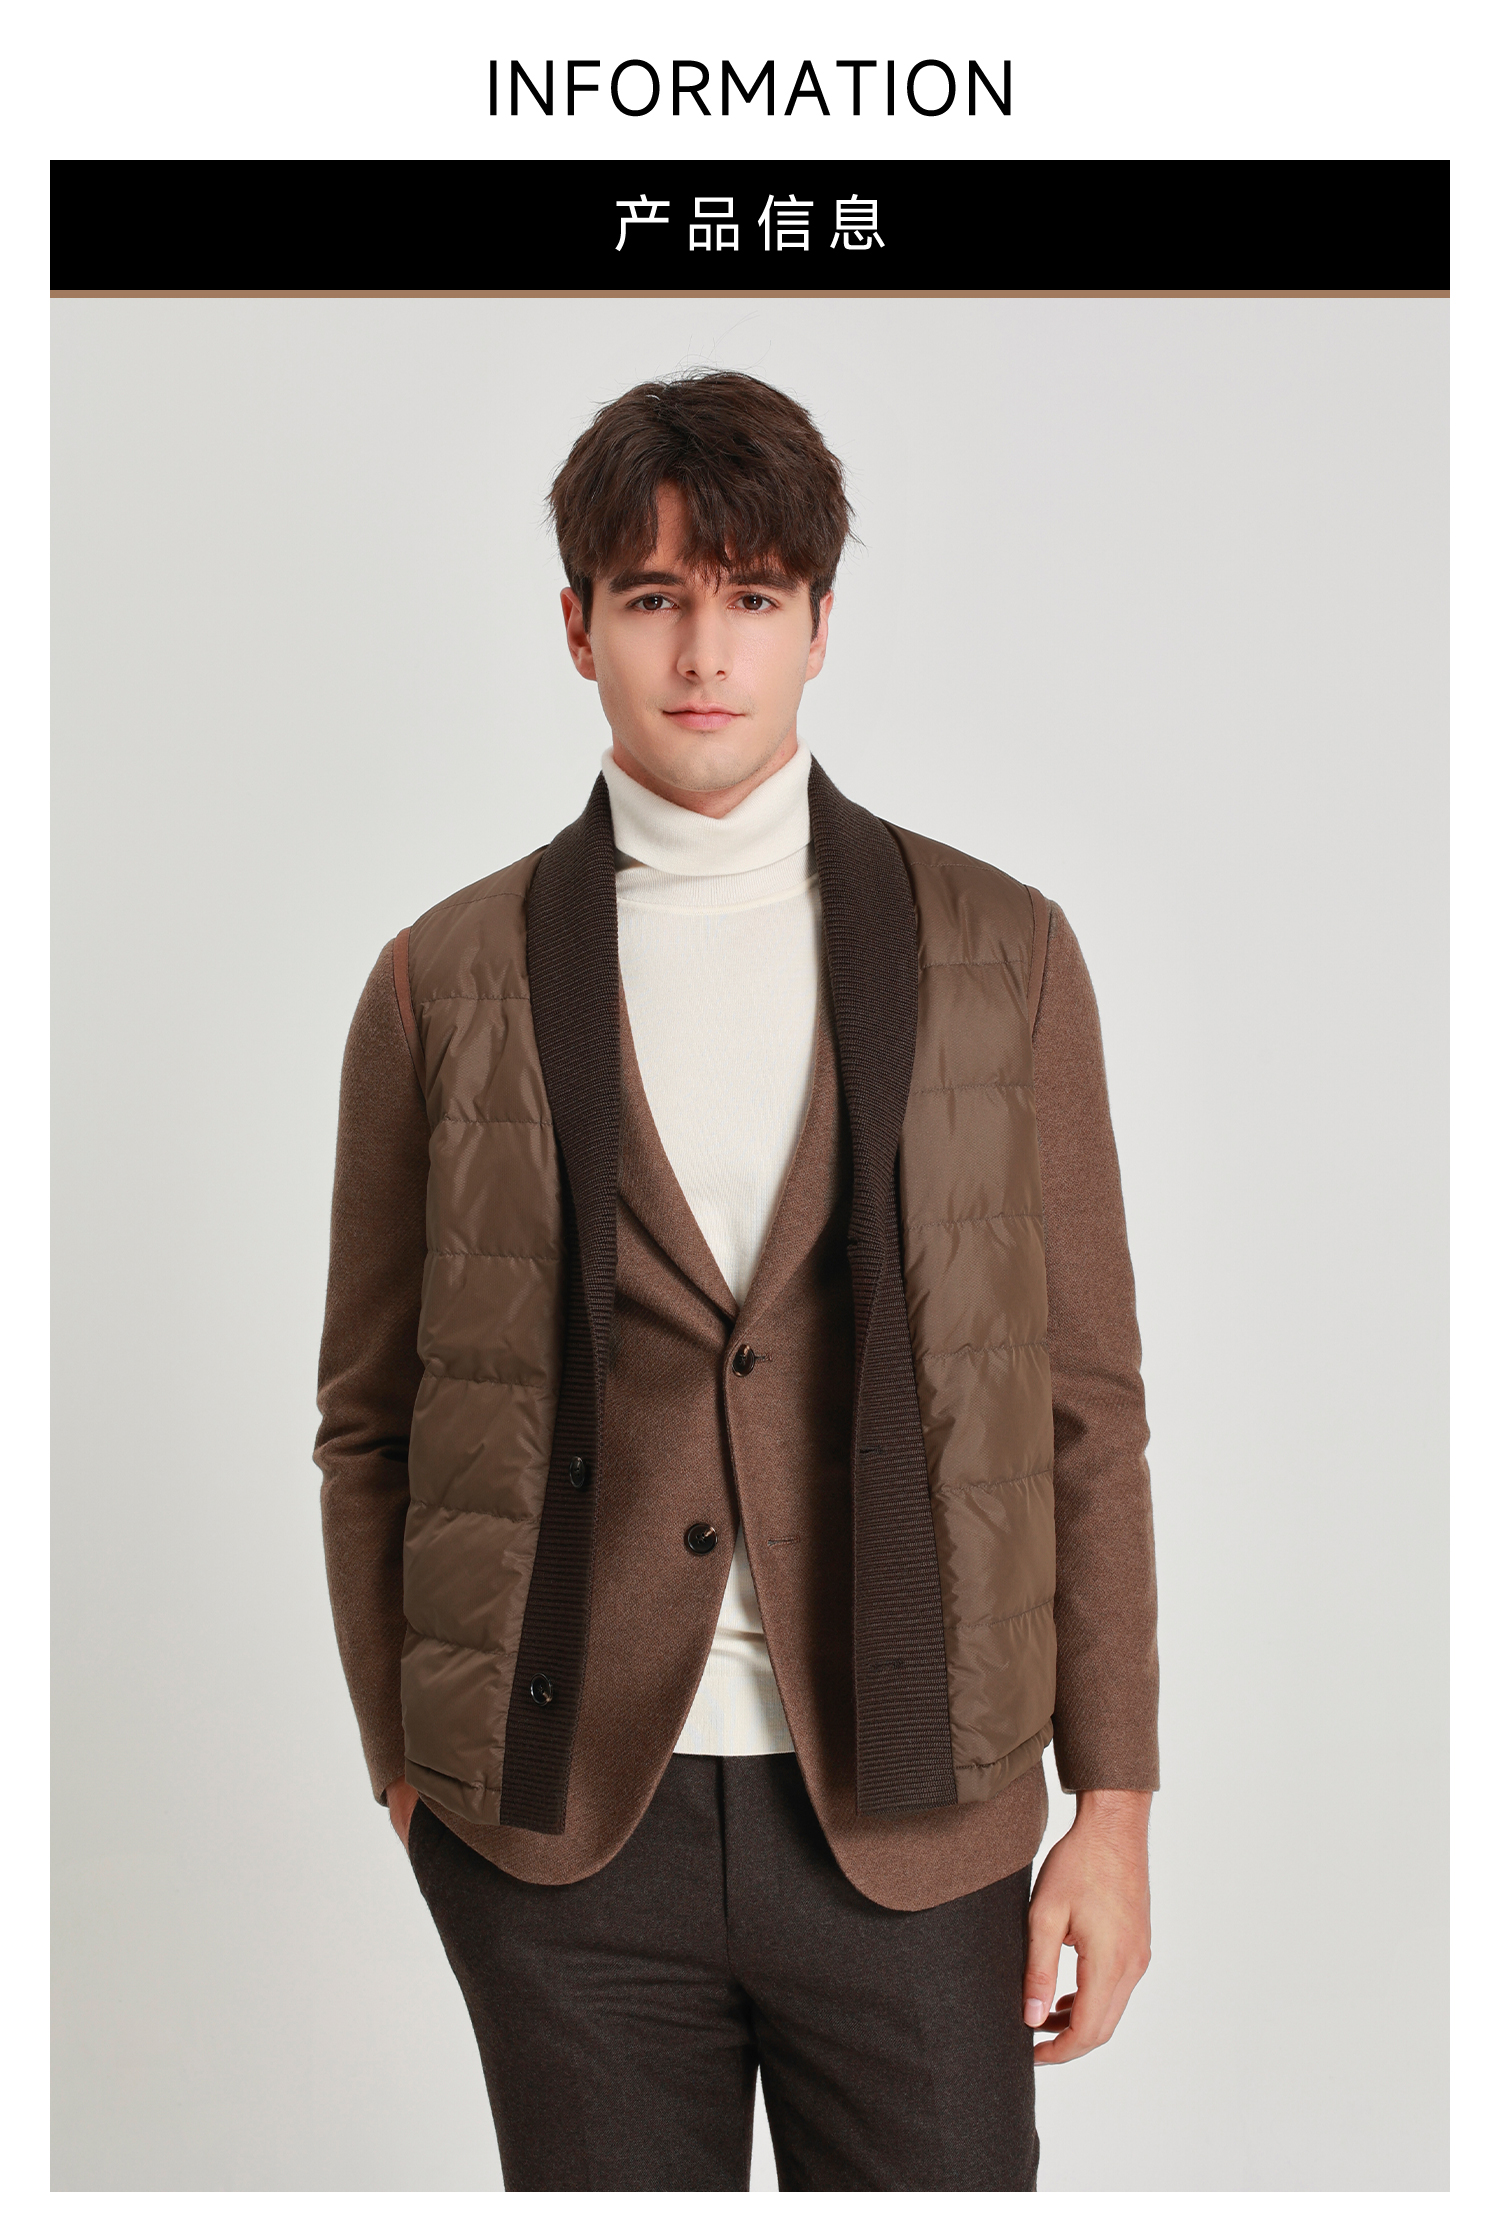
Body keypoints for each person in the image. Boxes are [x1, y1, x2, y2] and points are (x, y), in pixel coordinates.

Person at [315, 369, 1159, 2193]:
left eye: (753, 597)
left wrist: (1115, 1806)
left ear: (820, 626)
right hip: (559, 1839)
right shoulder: (440, 981)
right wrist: (411, 1768)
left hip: (916, 1815)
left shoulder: (1000, 951)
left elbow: (1083, 1400)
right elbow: (367, 1418)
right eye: (652, 598)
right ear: (577, 627)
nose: (705, 652)